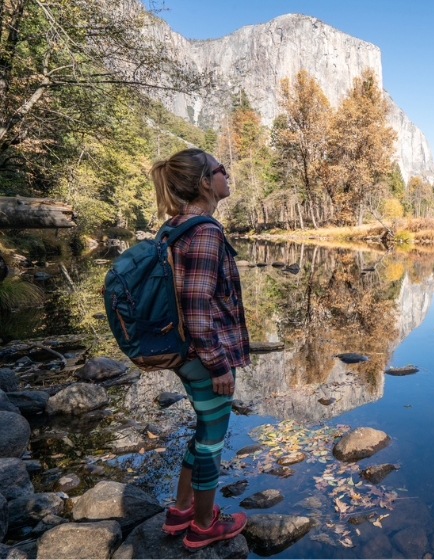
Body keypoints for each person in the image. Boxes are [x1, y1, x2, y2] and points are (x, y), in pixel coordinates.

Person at [149, 148, 250, 551]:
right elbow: (195, 306)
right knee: (212, 440)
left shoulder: (174, 226)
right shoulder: (205, 230)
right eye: (221, 170)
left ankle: (180, 510)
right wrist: (219, 365)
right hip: (204, 357)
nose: (228, 175)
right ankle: (205, 524)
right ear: (206, 182)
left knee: (203, 430)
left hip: (184, 354)